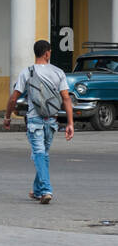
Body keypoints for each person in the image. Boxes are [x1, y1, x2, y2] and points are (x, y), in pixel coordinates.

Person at [5, 39, 74, 205]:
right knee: (42, 155)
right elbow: (66, 98)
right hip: (51, 120)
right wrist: (70, 123)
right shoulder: (58, 72)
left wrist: (7, 116)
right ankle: (38, 190)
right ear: (47, 53)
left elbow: (14, 97)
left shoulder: (27, 72)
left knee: (39, 154)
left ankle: (45, 190)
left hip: (34, 120)